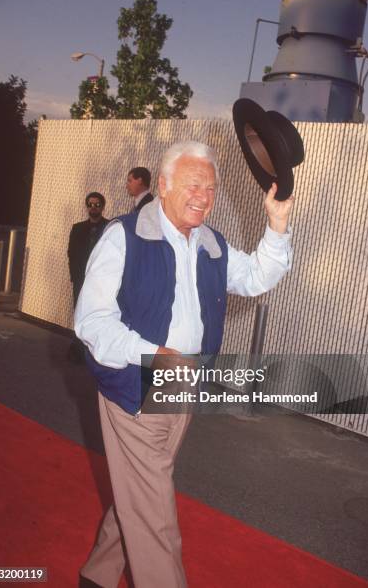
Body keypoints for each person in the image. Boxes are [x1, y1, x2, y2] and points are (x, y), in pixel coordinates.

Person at [75, 142, 294, 588]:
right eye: (193, 184)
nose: (203, 196)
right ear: (163, 185)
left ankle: (97, 574)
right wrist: (155, 354)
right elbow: (92, 322)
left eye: (210, 187)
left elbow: (254, 277)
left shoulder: (211, 242)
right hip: (135, 386)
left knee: (141, 490)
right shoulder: (124, 235)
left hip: (184, 386)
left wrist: (277, 224)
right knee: (155, 512)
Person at [67, 192, 108, 363]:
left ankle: (94, 352)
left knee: (97, 314)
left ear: (102, 207)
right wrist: (75, 277)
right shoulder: (77, 228)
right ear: (86, 206)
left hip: (100, 282)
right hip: (81, 281)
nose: (93, 208)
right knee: (79, 313)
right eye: (90, 205)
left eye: (97, 205)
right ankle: (78, 349)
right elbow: (72, 254)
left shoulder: (109, 227)